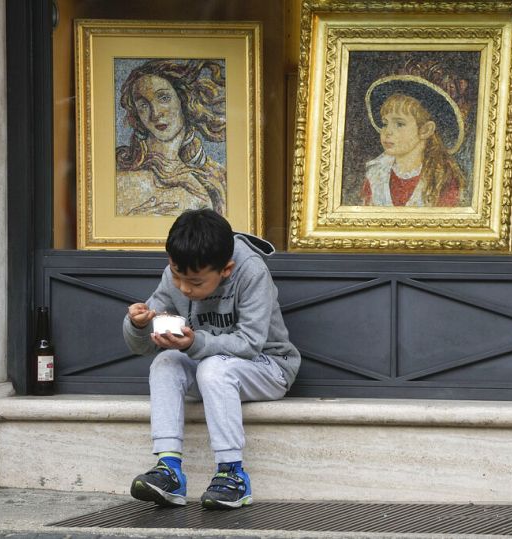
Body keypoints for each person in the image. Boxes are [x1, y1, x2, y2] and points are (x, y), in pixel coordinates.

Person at [122, 208, 300, 510]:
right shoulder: (179, 273)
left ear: (226, 270)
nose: (184, 288)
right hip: (213, 368)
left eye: (194, 283)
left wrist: (195, 342)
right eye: (176, 276)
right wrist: (138, 325)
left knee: (213, 368)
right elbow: (142, 347)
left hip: (269, 367)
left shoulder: (251, 271)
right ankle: (169, 470)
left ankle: (233, 474)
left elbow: (250, 343)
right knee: (165, 363)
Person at [115, 59, 227, 217]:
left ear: (184, 100)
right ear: (137, 114)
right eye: (144, 105)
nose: (155, 113)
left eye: (163, 98)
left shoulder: (215, 175)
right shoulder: (124, 179)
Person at [359, 75, 467, 207]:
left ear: (426, 130)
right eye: (385, 123)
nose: (387, 132)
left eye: (399, 124)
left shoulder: (443, 179)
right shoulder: (375, 175)